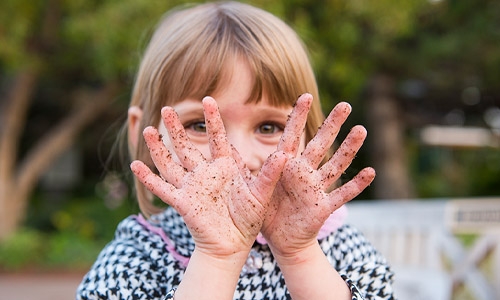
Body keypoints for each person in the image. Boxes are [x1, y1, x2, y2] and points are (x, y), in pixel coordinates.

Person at [77, 2, 395, 299]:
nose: (236, 157)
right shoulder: (140, 254)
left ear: (310, 137)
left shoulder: (333, 243)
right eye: (200, 125)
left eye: (269, 127)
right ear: (143, 135)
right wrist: (216, 258)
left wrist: (299, 255)